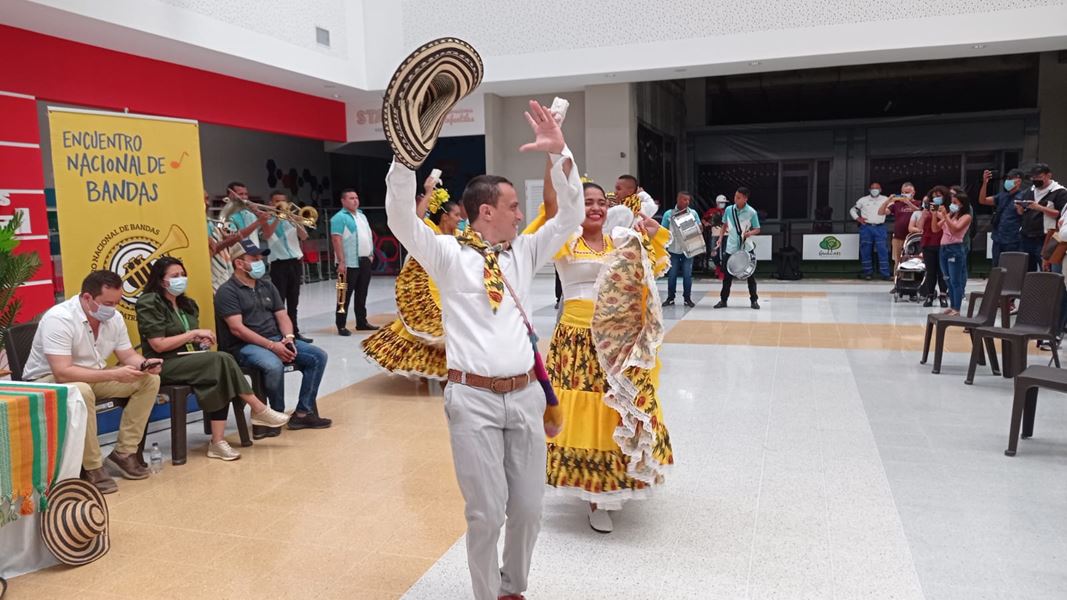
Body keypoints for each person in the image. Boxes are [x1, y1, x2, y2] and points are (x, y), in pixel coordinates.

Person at [385, 100, 584, 600]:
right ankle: (484, 594)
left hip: (525, 397)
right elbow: (400, 221)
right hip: (471, 399)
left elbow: (571, 216)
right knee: (485, 513)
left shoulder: (525, 251)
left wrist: (561, 153)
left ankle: (513, 588)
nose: (522, 213)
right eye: (514, 206)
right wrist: (405, 161)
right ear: (486, 211)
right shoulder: (448, 255)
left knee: (530, 509)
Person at [529, 161, 673, 534]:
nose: (595, 208)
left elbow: (656, 267)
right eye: (588, 202)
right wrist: (552, 162)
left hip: (618, 342)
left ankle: (610, 487)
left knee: (614, 414)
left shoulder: (622, 242)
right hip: (576, 342)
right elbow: (549, 210)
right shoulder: (566, 243)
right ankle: (593, 494)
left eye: (600, 203)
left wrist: (653, 232)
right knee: (583, 412)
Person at [20, 270, 161, 494]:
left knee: (149, 381)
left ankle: (123, 453)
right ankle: (93, 467)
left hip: (92, 375)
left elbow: (127, 356)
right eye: (107, 303)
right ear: (87, 298)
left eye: (117, 302)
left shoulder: (114, 317)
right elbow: (63, 372)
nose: (113, 308)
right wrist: (114, 374)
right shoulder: (60, 318)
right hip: (46, 381)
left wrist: (145, 364)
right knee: (82, 391)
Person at [136, 257, 290, 459]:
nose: (180, 279)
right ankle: (258, 408)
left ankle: (217, 442)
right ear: (160, 280)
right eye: (174, 276)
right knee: (222, 360)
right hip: (162, 364)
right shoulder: (149, 302)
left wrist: (201, 343)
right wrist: (193, 334)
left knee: (219, 374)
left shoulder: (187, 304)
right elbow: (158, 344)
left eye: (183, 275)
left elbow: (188, 341)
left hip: (190, 359)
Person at [216, 239, 331, 437]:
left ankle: (303, 412)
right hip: (245, 345)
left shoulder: (266, 285)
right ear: (239, 263)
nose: (260, 261)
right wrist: (272, 346)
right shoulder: (227, 291)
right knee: (272, 365)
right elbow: (237, 330)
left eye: (261, 257)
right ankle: (275, 414)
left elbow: (282, 315)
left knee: (318, 356)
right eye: (254, 258)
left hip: (276, 338)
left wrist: (287, 337)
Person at [361, 180, 460, 380]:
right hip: (426, 287)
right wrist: (429, 192)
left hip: (449, 288)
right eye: (456, 215)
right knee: (430, 328)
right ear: (444, 215)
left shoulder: (459, 234)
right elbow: (414, 219)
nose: (460, 219)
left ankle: (451, 370)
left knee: (452, 328)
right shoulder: (430, 228)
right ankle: (427, 370)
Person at [264, 190, 313, 343]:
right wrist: (278, 217)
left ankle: (295, 332)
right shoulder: (267, 219)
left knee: (294, 300)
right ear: (271, 203)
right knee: (280, 301)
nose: (281, 205)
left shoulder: (291, 219)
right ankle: (281, 333)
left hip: (295, 262)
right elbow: (267, 235)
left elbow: (304, 236)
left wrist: (296, 220)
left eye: (283, 201)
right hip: (278, 264)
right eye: (277, 202)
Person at [331, 188, 378, 334]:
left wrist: (370, 253)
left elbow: (367, 235)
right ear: (343, 201)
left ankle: (361, 321)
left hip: (364, 260)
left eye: (356, 197)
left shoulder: (362, 216)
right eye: (351, 198)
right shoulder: (338, 217)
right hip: (348, 262)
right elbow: (336, 239)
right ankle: (341, 325)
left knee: (362, 293)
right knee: (343, 295)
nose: (355, 200)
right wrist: (341, 261)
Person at [715, 187, 761, 309]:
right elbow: (724, 225)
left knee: (750, 276)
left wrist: (749, 233)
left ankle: (754, 300)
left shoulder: (752, 212)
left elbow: (757, 228)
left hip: (746, 247)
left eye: (739, 197)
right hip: (731, 247)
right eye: (735, 196)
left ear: (745, 199)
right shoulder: (729, 210)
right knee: (727, 276)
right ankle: (723, 300)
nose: (736, 199)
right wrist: (720, 238)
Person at [931, 191, 973, 315]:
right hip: (943, 249)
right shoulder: (951, 215)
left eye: (955, 203)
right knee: (948, 280)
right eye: (952, 202)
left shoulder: (966, 217)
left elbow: (955, 230)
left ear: (962, 204)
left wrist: (945, 215)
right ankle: (952, 306)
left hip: (955, 249)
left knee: (955, 280)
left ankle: (957, 308)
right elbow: (935, 229)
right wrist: (934, 215)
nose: (952, 205)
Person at [979, 169, 1027, 267]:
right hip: (998, 238)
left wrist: (1020, 210)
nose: (1007, 181)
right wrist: (985, 183)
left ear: (1018, 181)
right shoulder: (1002, 196)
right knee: (997, 267)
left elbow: (1024, 216)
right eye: (1007, 179)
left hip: (1013, 239)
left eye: (1010, 178)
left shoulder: (1023, 196)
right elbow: (982, 200)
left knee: (1012, 268)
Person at [661, 191, 701, 307]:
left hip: (688, 249)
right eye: (684, 200)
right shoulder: (668, 214)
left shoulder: (693, 213)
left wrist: (699, 226)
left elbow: (700, 228)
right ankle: (670, 298)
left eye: (688, 200)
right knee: (672, 274)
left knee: (687, 274)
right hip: (673, 249)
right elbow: (663, 230)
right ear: (678, 200)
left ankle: (687, 298)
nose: (687, 202)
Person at [913, 188, 950, 308]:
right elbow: (919, 227)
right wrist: (924, 214)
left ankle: (943, 295)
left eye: (939, 196)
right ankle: (929, 295)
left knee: (942, 271)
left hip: (942, 243)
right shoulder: (926, 210)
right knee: (930, 272)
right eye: (934, 196)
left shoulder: (947, 209)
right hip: (928, 243)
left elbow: (947, 222)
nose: (936, 198)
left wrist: (937, 213)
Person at [1027, 163, 1067, 271]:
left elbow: (1059, 215)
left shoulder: (1059, 192)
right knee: (1028, 269)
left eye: (1039, 177)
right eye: (1033, 177)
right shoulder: (1030, 190)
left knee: (1049, 271)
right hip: (1028, 236)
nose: (1035, 180)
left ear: (1048, 175)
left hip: (1048, 237)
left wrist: (1040, 208)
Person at [850, 182, 892, 280]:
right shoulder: (863, 200)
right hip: (866, 227)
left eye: (876, 188)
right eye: (872, 188)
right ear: (869, 190)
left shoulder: (885, 199)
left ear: (880, 189)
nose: (874, 190)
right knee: (866, 250)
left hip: (880, 227)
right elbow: (852, 210)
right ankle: (868, 273)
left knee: (883, 251)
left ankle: (885, 274)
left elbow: (891, 208)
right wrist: (858, 218)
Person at [882, 182, 921, 278]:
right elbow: (882, 212)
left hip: (913, 238)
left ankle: (915, 280)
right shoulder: (896, 204)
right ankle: (897, 281)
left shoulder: (919, 203)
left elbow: (920, 212)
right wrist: (888, 201)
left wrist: (908, 203)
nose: (906, 194)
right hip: (898, 237)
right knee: (898, 260)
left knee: (914, 260)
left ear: (913, 192)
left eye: (908, 192)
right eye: (904, 192)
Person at [223, 182, 269, 249]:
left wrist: (262, 218)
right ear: (231, 195)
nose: (245, 197)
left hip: (256, 256)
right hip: (239, 258)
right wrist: (258, 222)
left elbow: (266, 235)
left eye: (246, 194)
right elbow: (234, 238)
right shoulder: (225, 215)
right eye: (241, 194)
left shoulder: (250, 214)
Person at [702, 195, 728, 278]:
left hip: (727, 235)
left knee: (725, 254)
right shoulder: (711, 211)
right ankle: (718, 267)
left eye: (724, 203)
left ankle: (723, 271)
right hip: (715, 234)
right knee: (713, 253)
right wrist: (706, 223)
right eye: (721, 202)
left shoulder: (728, 211)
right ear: (717, 203)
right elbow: (703, 219)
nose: (723, 204)